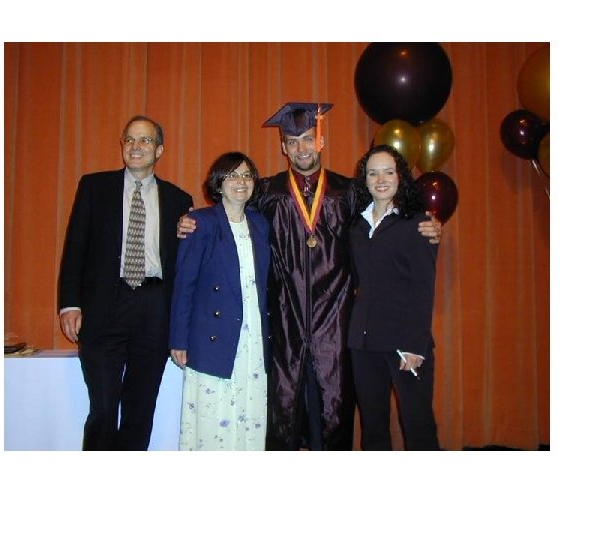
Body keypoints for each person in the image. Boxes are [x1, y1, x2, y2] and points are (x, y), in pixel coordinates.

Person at [179, 103, 441, 450]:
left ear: (321, 142)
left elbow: (391, 210)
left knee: (335, 407)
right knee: (284, 407)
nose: (301, 148)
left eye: (307, 139)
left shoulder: (349, 191)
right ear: (283, 147)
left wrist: (429, 221)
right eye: (292, 141)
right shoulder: (267, 192)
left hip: (337, 322)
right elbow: (230, 212)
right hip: (284, 321)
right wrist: (190, 221)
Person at [58, 115, 194, 450]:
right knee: (103, 410)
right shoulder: (94, 188)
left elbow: (185, 263)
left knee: (140, 409)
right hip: (105, 306)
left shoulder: (179, 199)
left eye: (145, 140)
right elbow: (75, 248)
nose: (136, 146)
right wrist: (70, 303)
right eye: (130, 139)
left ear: (159, 150)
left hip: (154, 308)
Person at [169, 152, 271, 450]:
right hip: (212, 336)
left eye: (247, 175)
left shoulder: (260, 224)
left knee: (250, 412)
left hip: (253, 335)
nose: (241, 182)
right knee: (213, 418)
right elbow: (184, 286)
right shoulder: (200, 223)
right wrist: (179, 339)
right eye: (232, 175)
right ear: (218, 183)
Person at [347, 144, 440, 450]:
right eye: (373, 173)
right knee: (373, 427)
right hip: (364, 342)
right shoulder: (356, 226)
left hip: (404, 342)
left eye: (388, 172)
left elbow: (423, 288)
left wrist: (415, 345)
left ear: (401, 177)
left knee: (418, 426)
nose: (381, 179)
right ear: (364, 180)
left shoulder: (418, 223)